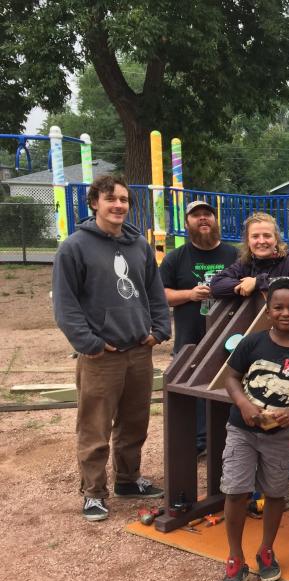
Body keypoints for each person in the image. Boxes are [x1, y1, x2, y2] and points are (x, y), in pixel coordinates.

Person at [52, 173, 171, 522]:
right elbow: (65, 303)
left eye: (123, 200)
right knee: (95, 427)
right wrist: (88, 343)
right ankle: (93, 492)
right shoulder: (74, 247)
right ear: (95, 203)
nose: (118, 205)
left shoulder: (139, 246)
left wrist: (160, 330)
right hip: (101, 355)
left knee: (135, 422)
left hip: (138, 350)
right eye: (110, 199)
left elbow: (155, 292)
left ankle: (128, 480)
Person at [219, 278, 289, 581]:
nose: (285, 313)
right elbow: (231, 377)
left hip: (280, 435)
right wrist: (242, 403)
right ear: (268, 311)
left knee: (276, 493)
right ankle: (235, 556)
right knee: (237, 491)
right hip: (242, 430)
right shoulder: (252, 343)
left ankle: (266, 550)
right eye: (278, 307)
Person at [210, 212, 289, 496]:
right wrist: (245, 282)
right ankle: (254, 484)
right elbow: (217, 285)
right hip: (255, 343)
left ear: (276, 238)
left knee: (286, 401)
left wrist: (257, 282)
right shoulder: (242, 264)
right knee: (257, 402)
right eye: (255, 236)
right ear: (248, 241)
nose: (261, 241)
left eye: (267, 235)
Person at [160, 200, 238, 454]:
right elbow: (160, 295)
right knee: (190, 390)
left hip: (227, 339)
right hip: (189, 340)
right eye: (196, 216)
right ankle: (197, 443)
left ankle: (226, 442)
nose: (203, 219)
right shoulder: (176, 258)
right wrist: (190, 295)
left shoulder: (233, 254)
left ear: (215, 221)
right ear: (187, 224)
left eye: (208, 215)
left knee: (227, 387)